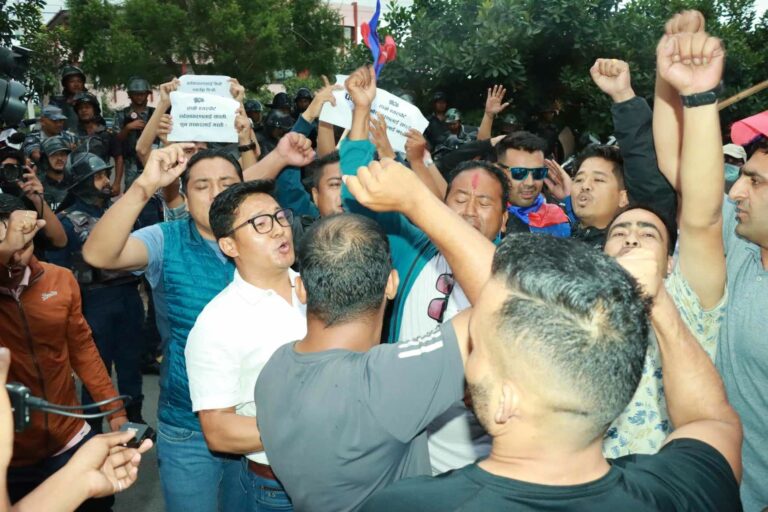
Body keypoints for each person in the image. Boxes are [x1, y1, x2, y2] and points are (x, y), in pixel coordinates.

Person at [361, 231, 742, 512]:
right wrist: (654, 300)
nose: (468, 357)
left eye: (475, 343)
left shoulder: (403, 506)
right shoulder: (685, 492)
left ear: (505, 400)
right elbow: (712, 419)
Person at [82, 138, 313, 511]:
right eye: (202, 186)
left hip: (255, 423)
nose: (215, 192)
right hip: (188, 426)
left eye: (227, 183)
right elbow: (98, 254)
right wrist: (144, 185)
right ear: (185, 199)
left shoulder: (271, 241)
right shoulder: (166, 241)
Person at [256, 154, 496, 511]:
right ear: (391, 284)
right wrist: (418, 201)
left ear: (302, 289)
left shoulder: (275, 367)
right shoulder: (382, 381)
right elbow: (507, 305)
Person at [652, 11, 768, 510]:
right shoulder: (741, 246)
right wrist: (680, 83)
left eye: (755, 182)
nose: (736, 190)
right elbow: (676, 161)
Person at [0, 193, 129, 511]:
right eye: (6, 248)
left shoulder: (60, 279)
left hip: (69, 435)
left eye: (24, 246)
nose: (16, 257)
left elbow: (83, 350)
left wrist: (115, 411)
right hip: (12, 456)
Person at [186, 180, 302, 511]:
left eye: (279, 217)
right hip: (278, 489)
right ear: (229, 246)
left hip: (345, 475)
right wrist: (310, 424)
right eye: (260, 223)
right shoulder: (218, 322)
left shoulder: (322, 287)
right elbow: (219, 431)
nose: (279, 229)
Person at [48, 153, 146, 430]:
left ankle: (134, 421)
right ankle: (92, 429)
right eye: (99, 177)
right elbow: (59, 275)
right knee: (95, 367)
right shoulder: (65, 223)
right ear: (82, 183)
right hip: (93, 302)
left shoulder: (120, 214)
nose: (106, 181)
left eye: (105, 175)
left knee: (131, 363)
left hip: (128, 296)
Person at [493, 132, 570, 236]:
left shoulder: (558, 218)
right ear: (499, 171)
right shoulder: (483, 213)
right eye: (519, 172)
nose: (530, 183)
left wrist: (569, 200)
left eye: (538, 172)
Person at [71, 93, 123, 187]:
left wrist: (117, 183)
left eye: (87, 107)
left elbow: (118, 158)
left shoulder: (107, 134)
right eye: (80, 108)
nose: (83, 110)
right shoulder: (72, 135)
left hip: (102, 183)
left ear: (94, 110)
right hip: (78, 184)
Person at [114, 77, 156, 196]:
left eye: (142, 94)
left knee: (154, 196)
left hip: (152, 161)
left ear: (147, 94)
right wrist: (127, 128)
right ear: (130, 95)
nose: (139, 97)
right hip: (131, 164)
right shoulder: (122, 114)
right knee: (132, 196)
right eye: (135, 94)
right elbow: (116, 140)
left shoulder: (155, 113)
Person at [38, 136, 72, 211]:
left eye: (62, 154)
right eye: (54, 154)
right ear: (44, 159)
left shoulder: (76, 182)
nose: (59, 158)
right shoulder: (38, 186)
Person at [49, 65, 87, 131]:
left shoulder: (89, 101)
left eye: (79, 81)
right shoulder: (57, 102)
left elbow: (98, 123)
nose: (76, 84)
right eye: (72, 81)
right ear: (65, 84)